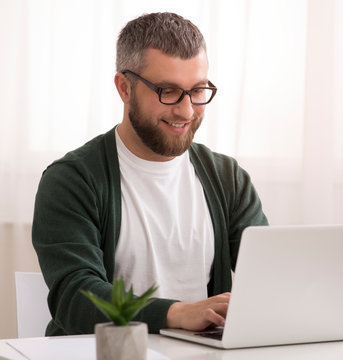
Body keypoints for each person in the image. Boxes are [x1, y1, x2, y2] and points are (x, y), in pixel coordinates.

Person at [32, 12, 268, 336]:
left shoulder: (228, 178)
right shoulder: (72, 180)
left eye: (198, 91)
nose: (186, 111)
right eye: (167, 91)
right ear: (124, 87)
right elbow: (76, 297)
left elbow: (270, 279)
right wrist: (178, 313)